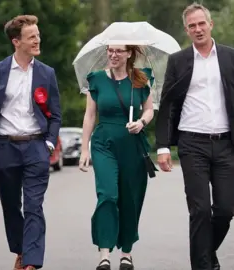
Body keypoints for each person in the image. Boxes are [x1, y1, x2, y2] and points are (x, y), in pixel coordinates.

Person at [154, 3, 234, 270]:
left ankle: (206, 254)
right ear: (187, 30)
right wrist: (163, 146)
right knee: (199, 211)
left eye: (202, 23)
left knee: (226, 209)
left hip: (225, 144)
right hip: (192, 144)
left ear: (211, 24)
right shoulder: (178, 61)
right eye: (192, 26)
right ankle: (203, 266)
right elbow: (167, 105)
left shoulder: (231, 57)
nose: (198, 29)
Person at [0, 15, 61, 270]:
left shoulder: (46, 73)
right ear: (16, 41)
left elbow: (56, 113)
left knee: (34, 205)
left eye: (38, 35)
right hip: (5, 148)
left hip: (36, 147)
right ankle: (21, 249)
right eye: (32, 37)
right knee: (10, 205)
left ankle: (31, 262)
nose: (38, 40)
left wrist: (49, 143)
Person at [78, 44, 155, 270]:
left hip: (132, 145)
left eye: (119, 51)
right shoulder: (97, 80)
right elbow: (90, 115)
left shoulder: (141, 79)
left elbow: (149, 110)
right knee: (107, 195)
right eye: (110, 50)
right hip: (104, 144)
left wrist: (141, 122)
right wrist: (85, 149)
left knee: (130, 198)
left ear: (129, 53)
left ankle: (126, 252)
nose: (113, 54)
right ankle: (104, 253)